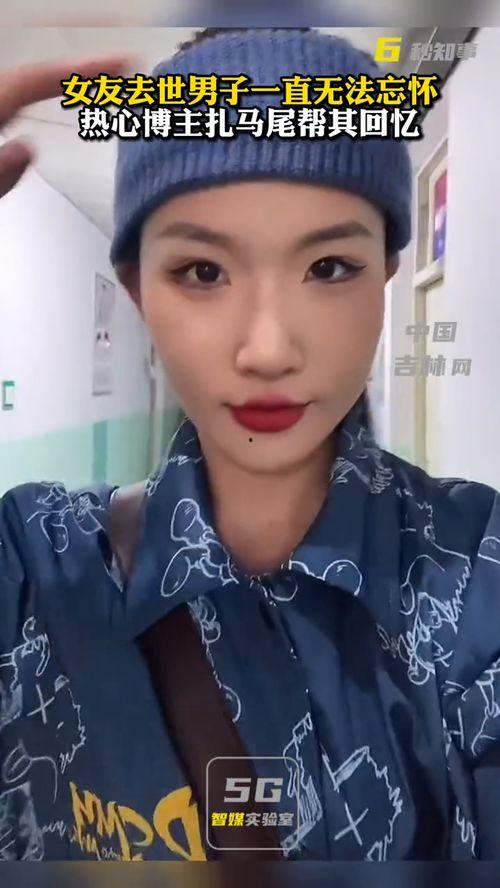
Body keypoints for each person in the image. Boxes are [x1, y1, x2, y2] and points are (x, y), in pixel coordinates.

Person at [0, 25, 499, 862]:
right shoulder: (31, 570)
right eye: (203, 272)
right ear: (137, 291)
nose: (268, 349)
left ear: (385, 275)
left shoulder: (478, 571)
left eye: (329, 267)